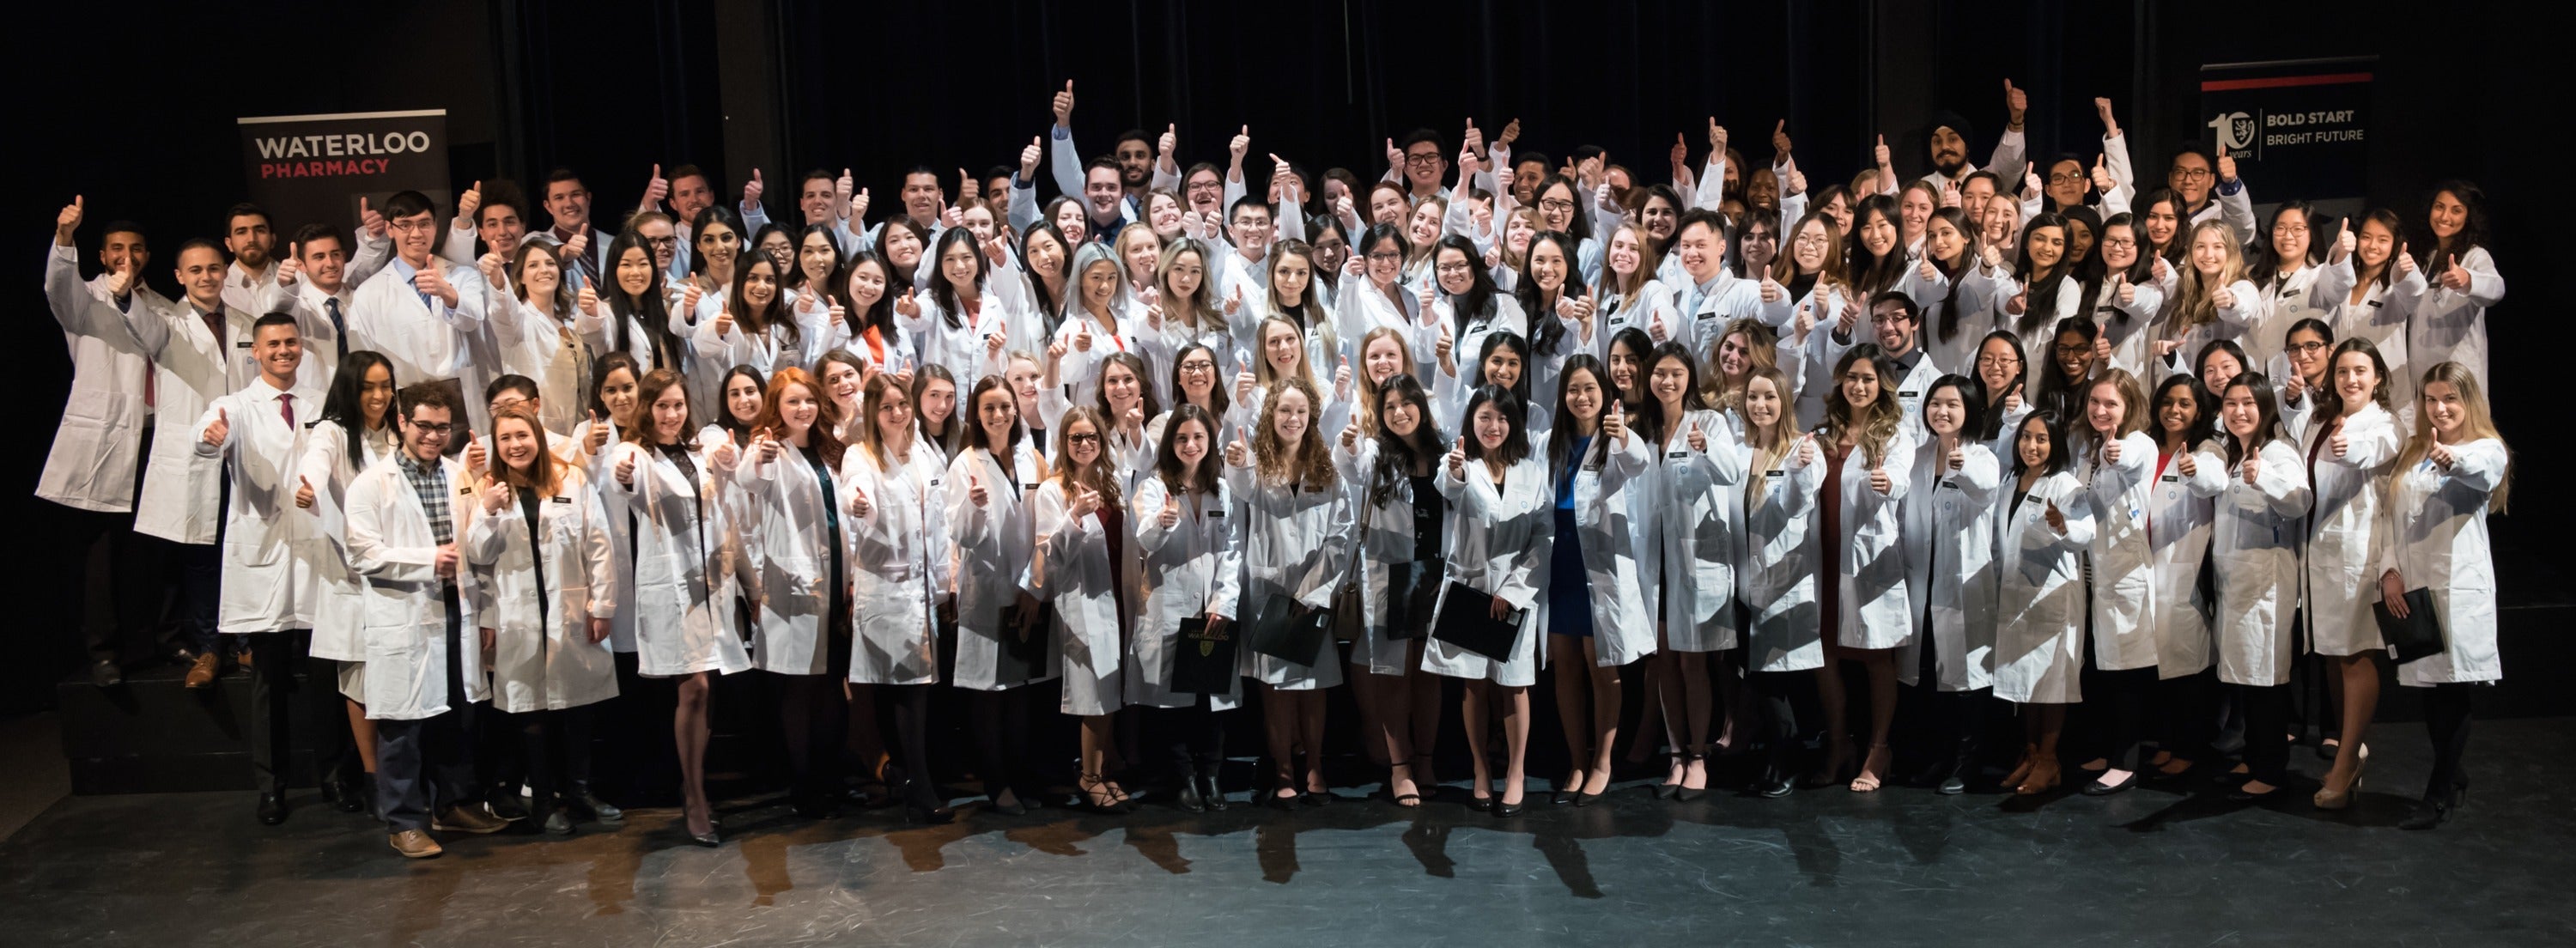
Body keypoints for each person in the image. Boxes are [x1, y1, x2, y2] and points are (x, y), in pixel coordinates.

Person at [343, 384, 511, 858]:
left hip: (455, 607)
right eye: (424, 426)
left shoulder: (459, 475)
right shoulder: (371, 483)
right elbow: (361, 552)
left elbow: (478, 551)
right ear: (401, 422)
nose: (433, 436)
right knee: (404, 723)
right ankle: (404, 820)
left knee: (458, 715)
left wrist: (491, 514)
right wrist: (425, 561)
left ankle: (455, 804)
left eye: (442, 427)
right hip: (405, 614)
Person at [193, 313, 335, 823]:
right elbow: (208, 438)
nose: (283, 351)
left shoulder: (322, 404)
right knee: (268, 682)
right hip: (267, 555)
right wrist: (210, 437)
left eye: (291, 342)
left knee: (327, 680)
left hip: (319, 557)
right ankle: (270, 787)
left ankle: (334, 777)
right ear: (255, 351)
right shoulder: (235, 406)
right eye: (273, 344)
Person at [602, 369, 751, 843]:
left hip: (712, 585)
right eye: (661, 406)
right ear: (646, 409)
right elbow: (621, 477)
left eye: (678, 405)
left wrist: (752, 585)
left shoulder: (699, 452)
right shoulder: (634, 454)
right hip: (671, 588)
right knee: (695, 688)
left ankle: (696, 785)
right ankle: (694, 795)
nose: (670, 414)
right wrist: (623, 475)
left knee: (706, 690)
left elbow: (729, 503)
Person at [462, 405, 620, 835]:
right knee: (531, 712)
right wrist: (488, 511)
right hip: (519, 615)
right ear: (496, 446)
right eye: (506, 438)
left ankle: (580, 792)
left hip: (571, 611)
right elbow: (477, 556)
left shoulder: (572, 479)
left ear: (538, 437)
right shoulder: (487, 489)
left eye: (523, 435)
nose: (516, 445)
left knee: (579, 708)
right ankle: (544, 801)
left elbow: (598, 543)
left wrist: (602, 605)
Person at [117, 239, 259, 684]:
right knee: (200, 557)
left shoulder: (247, 323)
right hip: (194, 457)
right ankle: (208, 649)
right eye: (195, 270)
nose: (206, 277)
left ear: (225, 272)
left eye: (214, 268)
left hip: (242, 455)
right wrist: (123, 295)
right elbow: (137, 321)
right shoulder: (164, 323)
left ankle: (245, 642)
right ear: (179, 276)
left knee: (244, 550)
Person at [2380, 362, 2512, 829]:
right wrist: (2389, 570)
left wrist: (2453, 460)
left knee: (2453, 691)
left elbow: (2483, 474)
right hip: (2415, 589)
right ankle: (2453, 774)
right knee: (2431, 694)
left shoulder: (2485, 449)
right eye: (2431, 400)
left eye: (2450, 399)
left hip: (2458, 589)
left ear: (2468, 402)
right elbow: (2391, 516)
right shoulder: (2415, 451)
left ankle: (2436, 795)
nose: (2439, 409)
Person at [42, 200, 165, 686]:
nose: (126, 257)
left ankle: (148, 641)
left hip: (154, 433)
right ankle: (104, 651)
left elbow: (157, 344)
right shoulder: (83, 299)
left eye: (135, 250)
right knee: (102, 553)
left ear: (147, 256)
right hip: (107, 436)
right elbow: (56, 287)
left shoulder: (159, 303)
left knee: (151, 546)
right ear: (101, 255)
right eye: (117, 249)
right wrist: (64, 238)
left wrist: (130, 299)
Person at [1224, 375, 1352, 807]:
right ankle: (1282, 770)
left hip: (1312, 595)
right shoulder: (1256, 465)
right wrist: (1238, 463)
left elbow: (1342, 534)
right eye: (1284, 411)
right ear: (1270, 416)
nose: (1292, 418)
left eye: (1300, 411)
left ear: (1311, 416)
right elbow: (1240, 486)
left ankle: (1314, 764)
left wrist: (1315, 591)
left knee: (1314, 688)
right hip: (1270, 593)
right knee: (1275, 690)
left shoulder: (1327, 469)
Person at [1423, 384, 1549, 817]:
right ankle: (1480, 770)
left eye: (1501, 418)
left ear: (1513, 423)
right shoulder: (1461, 465)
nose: (1493, 427)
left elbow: (1542, 536)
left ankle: (1515, 773)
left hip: (1515, 594)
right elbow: (1450, 487)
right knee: (1473, 685)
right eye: (1484, 418)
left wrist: (1513, 591)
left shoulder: (1532, 472)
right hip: (1471, 590)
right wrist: (1455, 469)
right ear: (1471, 422)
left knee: (1515, 686)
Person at [2190, 373, 2309, 801]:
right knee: (2247, 676)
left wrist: (2266, 478)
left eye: (2248, 404)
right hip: (2236, 582)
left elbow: (2299, 500)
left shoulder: (2277, 451)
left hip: (2265, 582)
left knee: (2268, 680)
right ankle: (2255, 757)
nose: (2238, 411)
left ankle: (2271, 769)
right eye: (2231, 404)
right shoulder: (2234, 456)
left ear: (2265, 408)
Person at [843, 373, 957, 824]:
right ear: (872, 412)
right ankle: (919, 787)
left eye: (902, 405)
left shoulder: (924, 453)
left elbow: (941, 520)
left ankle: (909, 779)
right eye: (887, 407)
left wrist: (947, 582)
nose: (897, 413)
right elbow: (859, 493)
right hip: (888, 592)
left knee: (912, 690)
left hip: (923, 591)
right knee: (908, 693)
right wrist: (859, 505)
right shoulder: (861, 455)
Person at [1332, 374, 1446, 807]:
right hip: (1393, 574)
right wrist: (1348, 443)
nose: (1399, 413)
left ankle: (1427, 759)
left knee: (1430, 675)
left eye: (1406, 404)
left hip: (1435, 573)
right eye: (1389, 407)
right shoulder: (1377, 453)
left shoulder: (1443, 448)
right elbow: (1352, 465)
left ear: (1420, 404)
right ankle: (1400, 769)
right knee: (1394, 676)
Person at [1540, 357, 1650, 805]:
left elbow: (1638, 462)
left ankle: (1603, 760)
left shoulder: (1615, 443)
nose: (1581, 398)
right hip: (1560, 565)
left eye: (1590, 389)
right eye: (1573, 390)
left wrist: (1622, 434)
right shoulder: (1552, 442)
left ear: (1606, 394)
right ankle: (1577, 760)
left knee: (1602, 665)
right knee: (1564, 667)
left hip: (1597, 568)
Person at [2298, 338, 2401, 811]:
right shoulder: (2322, 419)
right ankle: (2349, 748)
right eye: (2342, 372)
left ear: (2377, 376)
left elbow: (2372, 448)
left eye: (2361, 371)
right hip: (2320, 551)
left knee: (2356, 654)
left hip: (2359, 553)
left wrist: (2349, 444)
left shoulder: (2384, 424)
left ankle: (2346, 762)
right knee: (2331, 655)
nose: (2351, 380)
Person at [297, 350, 403, 815]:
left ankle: (404, 774)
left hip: (401, 571)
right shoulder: (333, 433)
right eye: (368, 387)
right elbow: (316, 464)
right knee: (359, 680)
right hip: (352, 574)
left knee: (398, 674)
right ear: (350, 389)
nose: (378, 396)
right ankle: (373, 775)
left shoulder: (400, 432)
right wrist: (309, 486)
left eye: (385, 385)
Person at [1132, 404, 1242, 811]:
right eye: (1182, 438)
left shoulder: (1223, 488)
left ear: (1209, 441)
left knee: (1211, 700)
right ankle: (1184, 778)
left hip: (1212, 608)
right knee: (1172, 702)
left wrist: (1224, 602)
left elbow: (1232, 551)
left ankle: (1212, 776)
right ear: (1170, 443)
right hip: (1169, 605)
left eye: (1198, 437)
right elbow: (1143, 541)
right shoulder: (1152, 486)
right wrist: (1161, 522)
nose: (1191, 445)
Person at [1899, 374, 2001, 793]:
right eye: (1935, 403)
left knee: (1966, 677)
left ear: (1970, 412)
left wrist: (1963, 468)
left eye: (1952, 405)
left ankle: (1966, 762)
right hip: (1921, 580)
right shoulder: (1920, 456)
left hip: (1962, 584)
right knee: (1929, 674)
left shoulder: (1982, 457)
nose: (1942, 412)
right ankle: (1937, 757)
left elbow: (1986, 489)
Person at [1036, 408, 1139, 811]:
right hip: (1083, 602)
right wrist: (1074, 516)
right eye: (1076, 438)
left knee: (1111, 691)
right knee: (1093, 695)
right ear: (1064, 443)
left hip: (1119, 595)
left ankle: (1104, 769)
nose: (1084, 444)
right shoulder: (1053, 491)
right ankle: (1089, 777)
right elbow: (1050, 556)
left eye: (1091, 437)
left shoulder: (1111, 483)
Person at [1992, 410, 2095, 795]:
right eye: (2026, 437)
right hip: (2017, 593)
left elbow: (2087, 532)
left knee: (2051, 682)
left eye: (2042, 439)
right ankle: (2032, 754)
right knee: (2025, 679)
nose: (2031, 446)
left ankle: (2050, 759)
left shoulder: (2065, 483)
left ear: (2055, 444)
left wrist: (2063, 526)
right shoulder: (2010, 481)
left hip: (2052, 596)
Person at [1735, 367, 1824, 796]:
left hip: (1784, 579)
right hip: (1745, 578)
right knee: (1758, 678)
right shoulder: (1741, 449)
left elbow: (1795, 506)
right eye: (1753, 397)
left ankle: (1787, 760)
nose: (1760, 405)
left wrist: (1801, 470)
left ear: (1784, 400)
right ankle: (1774, 756)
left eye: (1769, 397)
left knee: (1777, 679)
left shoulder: (1803, 449)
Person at [2074, 368, 2161, 795]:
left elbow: (2128, 461)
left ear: (2129, 407)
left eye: (2111, 404)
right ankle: (2109, 749)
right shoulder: (2088, 449)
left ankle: (2125, 762)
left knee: (2126, 672)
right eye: (2095, 402)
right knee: (2102, 669)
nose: (2101, 410)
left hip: (2124, 573)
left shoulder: (2137, 443)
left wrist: (2114, 455)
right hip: (2093, 571)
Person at [2409, 182, 2505, 387]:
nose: (2444, 217)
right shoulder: (2428, 257)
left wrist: (2468, 280)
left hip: (2459, 373)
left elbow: (2496, 289)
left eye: (2456, 210)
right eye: (2439, 207)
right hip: (2424, 373)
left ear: (2468, 217)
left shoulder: (2475, 256)